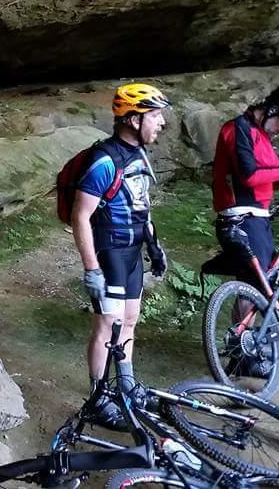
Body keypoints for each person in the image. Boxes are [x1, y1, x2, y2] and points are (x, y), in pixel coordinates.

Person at [71, 83, 170, 430]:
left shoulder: (140, 156)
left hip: (133, 254)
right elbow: (80, 215)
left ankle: (125, 386)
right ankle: (98, 399)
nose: (160, 123)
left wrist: (154, 246)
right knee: (106, 327)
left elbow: (140, 208)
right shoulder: (104, 161)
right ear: (131, 119)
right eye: (154, 116)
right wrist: (91, 269)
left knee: (130, 319)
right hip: (110, 253)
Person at [210, 87, 279, 377]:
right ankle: (241, 355)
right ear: (272, 111)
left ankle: (249, 349)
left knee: (260, 279)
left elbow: (268, 178)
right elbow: (249, 175)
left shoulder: (259, 134)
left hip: (257, 215)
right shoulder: (237, 129)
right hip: (243, 216)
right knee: (253, 283)